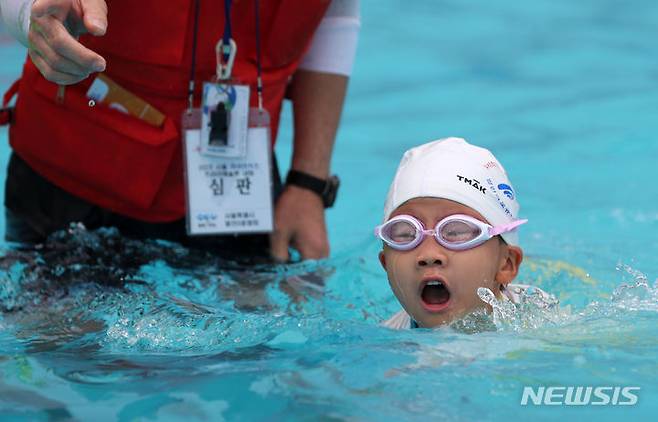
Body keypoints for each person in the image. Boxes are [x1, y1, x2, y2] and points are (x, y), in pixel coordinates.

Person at [0, 0, 360, 262]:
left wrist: (308, 183)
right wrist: (30, 16)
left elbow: (330, 9)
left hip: (238, 184)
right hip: (71, 178)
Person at [377, 137, 549, 329]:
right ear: (386, 265)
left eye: (456, 232)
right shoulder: (381, 346)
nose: (429, 255)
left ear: (506, 264)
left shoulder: (542, 329)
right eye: (406, 234)